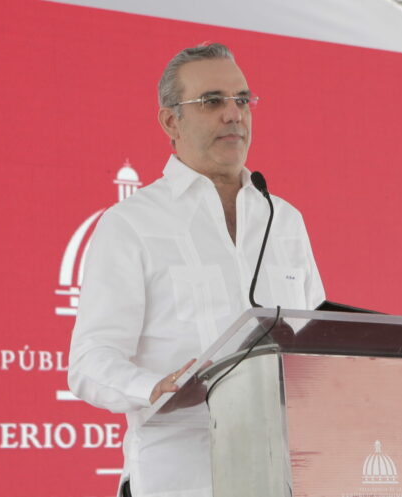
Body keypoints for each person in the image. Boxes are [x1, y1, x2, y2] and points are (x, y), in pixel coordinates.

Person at [67, 43, 325, 497]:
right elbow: (90, 361)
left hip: (280, 481)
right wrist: (154, 387)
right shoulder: (131, 223)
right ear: (171, 121)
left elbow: (318, 345)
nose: (234, 114)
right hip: (177, 483)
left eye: (242, 99)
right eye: (211, 101)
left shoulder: (284, 220)